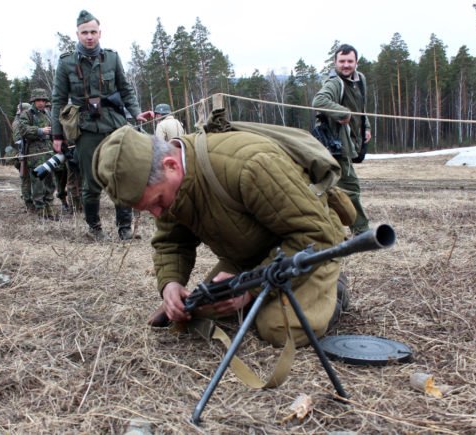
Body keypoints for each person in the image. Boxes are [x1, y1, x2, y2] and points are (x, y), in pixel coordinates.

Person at [92, 125, 347, 349]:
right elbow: (171, 241)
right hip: (250, 252)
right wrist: (170, 283)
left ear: (170, 165)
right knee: (201, 308)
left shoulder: (250, 165)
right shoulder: (171, 182)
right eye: (148, 209)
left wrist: (251, 288)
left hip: (309, 249)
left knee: (280, 329)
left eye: (157, 202)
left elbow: (315, 234)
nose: (157, 214)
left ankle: (335, 289)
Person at [51, 9, 153, 241]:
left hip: (114, 125)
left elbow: (126, 89)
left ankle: (124, 229)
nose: (89, 36)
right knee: (91, 181)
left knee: (121, 175)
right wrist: (57, 135)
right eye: (84, 32)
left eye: (93, 32)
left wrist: (136, 114)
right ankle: (94, 229)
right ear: (77, 34)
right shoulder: (66, 63)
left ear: (100, 33)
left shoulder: (112, 58)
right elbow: (58, 100)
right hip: (85, 129)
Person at [312, 43, 371, 235]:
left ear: (356, 62)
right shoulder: (334, 82)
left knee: (328, 186)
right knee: (350, 187)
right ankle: (361, 231)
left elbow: (360, 108)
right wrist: (342, 112)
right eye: (342, 61)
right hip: (335, 144)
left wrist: (365, 126)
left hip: (350, 141)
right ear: (335, 62)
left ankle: (323, 226)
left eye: (350, 61)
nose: (346, 65)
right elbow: (318, 101)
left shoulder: (360, 79)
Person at [19, 88, 57, 219]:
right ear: (33, 101)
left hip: (48, 152)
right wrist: (40, 131)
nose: (41, 102)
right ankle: (40, 210)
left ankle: (50, 208)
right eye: (38, 100)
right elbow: (23, 130)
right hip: (35, 155)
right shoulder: (27, 114)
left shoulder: (48, 114)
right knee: (37, 183)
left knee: (50, 182)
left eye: (43, 100)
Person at [12, 102, 33, 211]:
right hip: (23, 153)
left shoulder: (20, 121)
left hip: (28, 152)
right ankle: (28, 203)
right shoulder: (18, 123)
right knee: (26, 180)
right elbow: (18, 140)